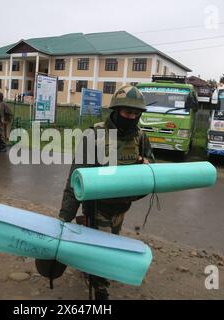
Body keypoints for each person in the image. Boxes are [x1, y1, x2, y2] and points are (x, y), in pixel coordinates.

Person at [58, 85, 155, 300]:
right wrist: (64, 217)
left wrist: (145, 166)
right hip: (98, 206)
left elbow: (151, 168)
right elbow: (75, 180)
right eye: (128, 112)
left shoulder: (140, 137)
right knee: (103, 250)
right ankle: (100, 287)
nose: (132, 117)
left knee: (111, 241)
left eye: (136, 113)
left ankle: (92, 266)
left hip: (122, 206)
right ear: (117, 110)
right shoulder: (95, 135)